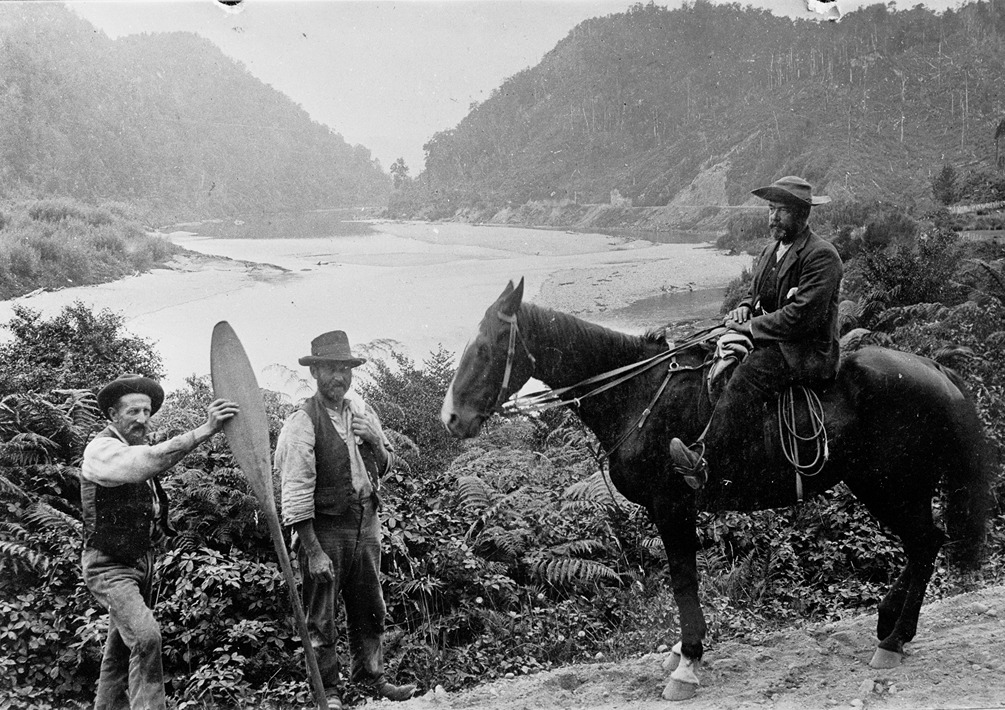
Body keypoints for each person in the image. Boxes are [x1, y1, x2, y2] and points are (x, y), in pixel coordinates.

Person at [669, 175, 843, 489]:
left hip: (804, 352)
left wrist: (748, 327)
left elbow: (801, 317)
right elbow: (755, 294)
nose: (773, 217)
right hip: (774, 339)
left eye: (781, 211)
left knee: (746, 375)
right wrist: (744, 308)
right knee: (710, 357)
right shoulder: (770, 250)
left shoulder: (822, 255)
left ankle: (707, 460)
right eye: (771, 209)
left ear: (801, 214)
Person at [274, 331, 416, 709]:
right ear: (316, 371)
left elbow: (384, 468)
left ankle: (372, 679)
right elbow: (296, 494)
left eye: (345, 370)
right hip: (325, 527)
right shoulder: (302, 422)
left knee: (371, 605)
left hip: (365, 521)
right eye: (332, 369)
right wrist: (314, 551)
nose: (340, 377)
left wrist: (377, 441)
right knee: (322, 616)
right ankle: (329, 692)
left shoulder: (361, 412)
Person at [81, 373, 239, 710]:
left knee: (122, 649)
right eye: (132, 412)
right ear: (112, 416)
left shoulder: (135, 447)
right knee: (146, 637)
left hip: (140, 564)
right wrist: (204, 430)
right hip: (108, 565)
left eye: (146, 411)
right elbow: (148, 463)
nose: (142, 419)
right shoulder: (101, 450)